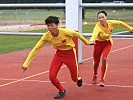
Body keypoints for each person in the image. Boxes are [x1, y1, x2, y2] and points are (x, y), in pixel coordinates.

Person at [22, 16, 90, 99]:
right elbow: (36, 49)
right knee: (52, 76)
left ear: (57, 25)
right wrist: (26, 63)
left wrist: (87, 42)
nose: (50, 28)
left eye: (52, 25)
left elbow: (77, 34)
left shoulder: (65, 32)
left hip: (70, 54)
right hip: (59, 55)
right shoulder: (46, 36)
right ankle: (61, 91)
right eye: (48, 26)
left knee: (74, 79)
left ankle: (78, 78)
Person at [89, 10, 133, 87]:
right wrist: (91, 40)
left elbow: (120, 23)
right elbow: (94, 34)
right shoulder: (97, 27)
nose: (101, 19)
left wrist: (130, 28)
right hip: (98, 44)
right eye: (99, 18)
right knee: (96, 62)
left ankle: (102, 79)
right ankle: (95, 75)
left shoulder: (110, 23)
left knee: (104, 59)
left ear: (106, 17)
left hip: (108, 43)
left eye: (102, 17)